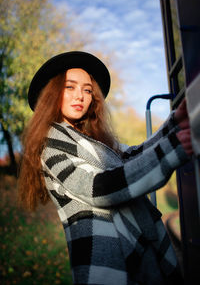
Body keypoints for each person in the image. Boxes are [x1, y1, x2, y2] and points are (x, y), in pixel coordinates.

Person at [18, 51, 193, 285]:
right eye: (70, 87)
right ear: (52, 94)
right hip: (110, 261)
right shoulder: (51, 146)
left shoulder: (89, 141)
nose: (80, 95)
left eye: (87, 90)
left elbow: (132, 155)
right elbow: (99, 188)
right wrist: (175, 148)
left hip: (141, 250)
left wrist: (174, 124)